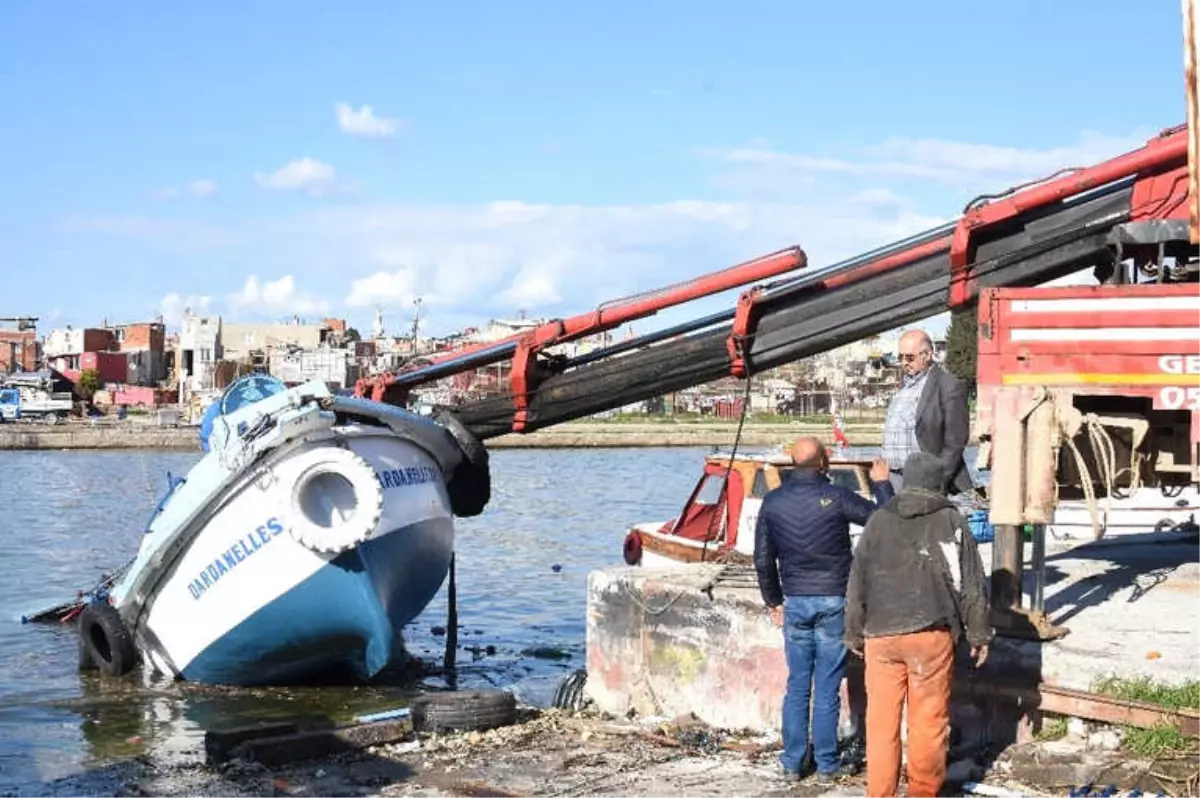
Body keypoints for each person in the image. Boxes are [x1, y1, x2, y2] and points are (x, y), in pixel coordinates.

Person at [843, 450, 993, 798]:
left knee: (881, 723)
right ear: (938, 483)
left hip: (880, 636)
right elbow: (971, 582)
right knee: (928, 721)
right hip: (930, 635)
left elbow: (857, 580)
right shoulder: (951, 521)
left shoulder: (879, 520)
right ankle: (922, 793)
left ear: (906, 481)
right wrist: (979, 632)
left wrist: (852, 630)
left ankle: (880, 793)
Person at [753, 436, 894, 783]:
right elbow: (884, 523)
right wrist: (882, 485)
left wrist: (773, 601)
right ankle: (827, 766)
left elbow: (762, 560)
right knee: (828, 686)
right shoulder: (839, 498)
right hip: (833, 599)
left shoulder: (772, 503)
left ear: (791, 460)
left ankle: (792, 762)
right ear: (824, 461)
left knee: (798, 684)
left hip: (796, 600)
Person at [882, 329, 974, 496]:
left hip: (925, 481)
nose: (904, 362)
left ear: (927, 354)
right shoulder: (904, 385)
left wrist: (937, 480)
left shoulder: (949, 386)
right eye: (900, 357)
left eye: (909, 357)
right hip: (894, 477)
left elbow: (955, 442)